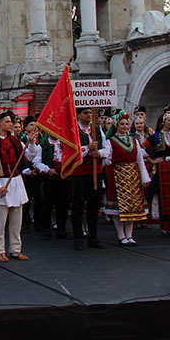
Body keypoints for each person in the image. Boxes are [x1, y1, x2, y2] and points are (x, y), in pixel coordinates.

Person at [0, 111, 29, 262]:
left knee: (17, 220)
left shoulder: (16, 140)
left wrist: (33, 143)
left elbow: (28, 156)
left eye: (11, 122)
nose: (10, 124)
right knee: (1, 221)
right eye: (8, 122)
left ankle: (16, 249)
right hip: (2, 182)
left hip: (16, 181)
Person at [100, 111, 150, 245]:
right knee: (118, 207)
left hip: (133, 176)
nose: (125, 126)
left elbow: (140, 160)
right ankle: (121, 235)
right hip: (118, 176)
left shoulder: (134, 141)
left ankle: (129, 235)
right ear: (116, 125)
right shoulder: (111, 141)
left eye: (127, 124)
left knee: (132, 206)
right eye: (122, 124)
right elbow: (107, 159)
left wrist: (144, 178)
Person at [143, 113, 170, 236]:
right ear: (163, 122)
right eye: (169, 120)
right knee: (165, 197)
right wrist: (152, 160)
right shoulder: (155, 137)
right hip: (163, 169)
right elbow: (141, 149)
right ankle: (165, 226)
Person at [71, 107, 105, 251]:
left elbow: (107, 148)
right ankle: (78, 237)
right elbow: (71, 150)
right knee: (78, 206)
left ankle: (93, 237)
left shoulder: (97, 130)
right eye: (85, 113)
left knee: (94, 206)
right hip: (79, 173)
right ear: (79, 115)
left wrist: (100, 152)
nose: (88, 115)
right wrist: (87, 148)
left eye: (90, 113)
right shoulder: (73, 130)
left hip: (95, 172)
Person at [32, 129, 70, 241]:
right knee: (47, 204)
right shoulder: (43, 145)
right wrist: (47, 170)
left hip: (63, 178)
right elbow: (36, 162)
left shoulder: (64, 144)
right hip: (49, 178)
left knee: (62, 205)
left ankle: (61, 229)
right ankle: (46, 230)